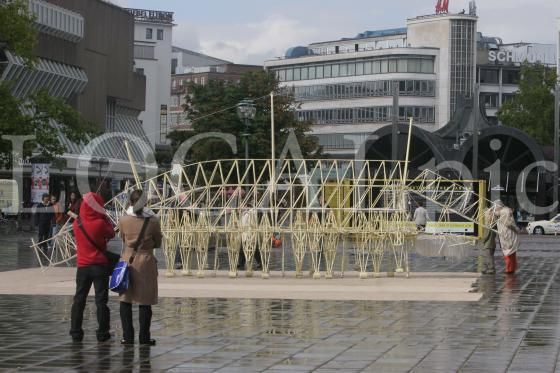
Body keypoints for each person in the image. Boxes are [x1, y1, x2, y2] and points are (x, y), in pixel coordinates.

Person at [69, 192, 116, 343]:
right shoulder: (100, 223)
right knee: (101, 301)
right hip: (99, 265)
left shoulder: (77, 223)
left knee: (79, 300)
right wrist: (105, 218)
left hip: (82, 266)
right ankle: (103, 332)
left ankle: (76, 331)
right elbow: (111, 234)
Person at [118, 190, 162, 346]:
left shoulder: (123, 220)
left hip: (128, 260)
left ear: (130, 202)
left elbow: (122, 238)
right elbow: (158, 242)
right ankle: (144, 337)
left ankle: (127, 337)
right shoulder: (153, 221)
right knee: (145, 301)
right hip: (146, 261)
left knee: (125, 300)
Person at [496, 200, 520, 274]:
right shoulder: (506, 210)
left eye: (496, 206)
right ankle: (512, 268)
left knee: (508, 252)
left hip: (507, 234)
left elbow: (508, 223)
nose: (495, 208)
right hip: (509, 234)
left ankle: (509, 269)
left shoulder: (503, 212)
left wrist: (516, 229)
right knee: (512, 253)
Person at [237, 204, 261, 270]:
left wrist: (238, 223)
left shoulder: (250, 213)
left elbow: (246, 223)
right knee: (244, 249)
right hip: (246, 234)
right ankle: (241, 264)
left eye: (242, 206)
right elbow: (242, 224)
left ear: (246, 206)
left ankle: (261, 262)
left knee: (253, 249)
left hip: (249, 234)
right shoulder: (244, 214)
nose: (240, 207)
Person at [481, 204, 498, 274]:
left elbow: (486, 235)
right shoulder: (494, 225)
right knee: (488, 256)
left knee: (489, 257)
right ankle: (486, 268)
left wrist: (483, 240)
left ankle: (491, 269)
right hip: (492, 243)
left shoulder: (489, 225)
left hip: (488, 244)